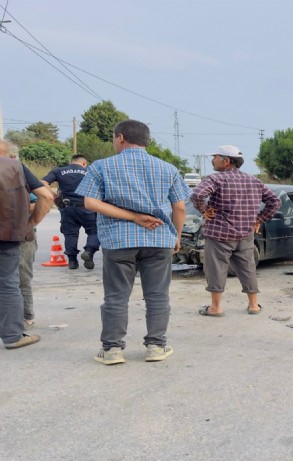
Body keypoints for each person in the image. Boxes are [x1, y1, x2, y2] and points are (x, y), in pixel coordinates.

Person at [75, 120, 191, 365]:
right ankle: (156, 347)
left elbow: (91, 203)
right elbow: (179, 207)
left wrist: (132, 217)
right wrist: (177, 237)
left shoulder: (101, 167)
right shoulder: (167, 168)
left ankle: (112, 350)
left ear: (120, 137)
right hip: (159, 239)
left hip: (118, 241)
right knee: (158, 295)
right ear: (145, 140)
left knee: (116, 296)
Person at [190, 145, 281, 317]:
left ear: (226, 161)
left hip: (219, 234)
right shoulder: (254, 181)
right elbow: (275, 201)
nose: (212, 160)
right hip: (245, 233)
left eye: (215, 157)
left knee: (216, 269)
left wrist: (204, 210)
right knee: (248, 268)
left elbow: (196, 195)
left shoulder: (216, 179)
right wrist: (258, 220)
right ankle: (253, 305)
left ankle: (216, 308)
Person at [0, 151, 54, 350]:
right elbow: (46, 195)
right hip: (7, 236)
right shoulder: (14, 166)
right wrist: (31, 222)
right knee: (8, 285)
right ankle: (13, 336)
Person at [0, 141, 39, 330]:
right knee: (11, 281)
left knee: (20, 278)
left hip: (20, 236)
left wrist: (30, 222)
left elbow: (40, 199)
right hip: (12, 235)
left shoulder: (19, 172)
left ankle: (26, 316)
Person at [41, 154, 100, 269]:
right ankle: (89, 252)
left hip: (67, 207)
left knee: (70, 234)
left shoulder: (59, 171)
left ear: (70, 162)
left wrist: (55, 197)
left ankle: (72, 261)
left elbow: (43, 182)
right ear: (84, 163)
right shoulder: (90, 171)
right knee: (94, 231)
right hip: (88, 206)